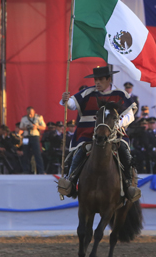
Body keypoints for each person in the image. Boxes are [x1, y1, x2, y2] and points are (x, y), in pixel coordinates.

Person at [57, 65, 140, 201]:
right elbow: (72, 104)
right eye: (96, 80)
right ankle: (70, 181)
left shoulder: (120, 94)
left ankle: (129, 185)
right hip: (88, 131)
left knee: (124, 150)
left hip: (114, 132)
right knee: (79, 151)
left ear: (108, 79)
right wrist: (66, 99)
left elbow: (130, 115)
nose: (97, 83)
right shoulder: (88, 92)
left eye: (100, 79)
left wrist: (116, 124)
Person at [20, 106, 46, 174]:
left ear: (34, 112)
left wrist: (36, 127)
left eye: (31, 113)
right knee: (26, 154)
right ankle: (26, 170)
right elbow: (20, 127)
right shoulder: (24, 118)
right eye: (28, 113)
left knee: (37, 154)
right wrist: (26, 128)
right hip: (26, 137)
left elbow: (44, 127)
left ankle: (41, 170)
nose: (30, 115)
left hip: (35, 137)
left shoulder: (39, 117)